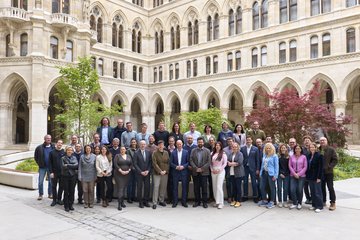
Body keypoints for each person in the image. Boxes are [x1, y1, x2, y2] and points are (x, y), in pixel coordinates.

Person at [190, 137, 211, 208]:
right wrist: (196, 168)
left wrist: (202, 169)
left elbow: (209, 161)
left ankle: (204, 202)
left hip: (204, 172)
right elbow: (191, 160)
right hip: (195, 172)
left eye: (201, 142)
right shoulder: (193, 150)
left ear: (203, 143)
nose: (200, 143)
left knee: (204, 188)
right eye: (199, 142)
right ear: (197, 142)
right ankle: (197, 201)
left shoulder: (207, 151)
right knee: (196, 188)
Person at [258, 143, 279, 209]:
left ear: (272, 148)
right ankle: (264, 200)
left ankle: (272, 201)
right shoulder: (264, 155)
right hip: (264, 173)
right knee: (262, 187)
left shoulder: (274, 156)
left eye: (269, 148)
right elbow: (262, 165)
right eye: (267, 148)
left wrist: (275, 175)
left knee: (272, 188)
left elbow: (276, 166)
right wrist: (261, 173)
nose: (268, 149)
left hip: (271, 174)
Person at [319, 136, 338, 211]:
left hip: (329, 172)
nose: (322, 142)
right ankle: (323, 201)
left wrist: (330, 166)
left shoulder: (331, 149)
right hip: (321, 173)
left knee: (330, 187)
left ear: (326, 141)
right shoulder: (318, 150)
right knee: (322, 187)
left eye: (323, 140)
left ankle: (332, 202)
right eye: (321, 141)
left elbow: (335, 160)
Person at [34, 134, 54, 200]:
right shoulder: (39, 147)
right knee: (40, 181)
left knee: (51, 181)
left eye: (50, 138)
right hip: (42, 167)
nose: (49, 139)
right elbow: (35, 157)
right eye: (47, 138)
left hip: (50, 168)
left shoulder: (53, 147)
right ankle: (40, 194)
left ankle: (50, 194)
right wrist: (39, 163)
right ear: (44, 139)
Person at [170, 140, 189, 208]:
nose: (179, 145)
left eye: (180, 144)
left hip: (184, 172)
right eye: (178, 144)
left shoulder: (186, 152)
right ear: (176, 145)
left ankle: (184, 202)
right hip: (175, 172)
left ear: (182, 144)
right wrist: (176, 167)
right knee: (175, 188)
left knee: (184, 187)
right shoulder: (173, 153)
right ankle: (175, 202)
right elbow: (171, 163)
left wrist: (183, 166)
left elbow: (188, 162)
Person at [240, 136, 260, 203]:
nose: (248, 141)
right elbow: (241, 158)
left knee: (254, 182)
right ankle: (245, 196)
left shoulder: (255, 149)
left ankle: (255, 196)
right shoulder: (242, 149)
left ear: (252, 141)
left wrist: (257, 169)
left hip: (253, 168)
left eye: (249, 140)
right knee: (245, 182)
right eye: (247, 140)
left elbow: (257, 160)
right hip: (245, 167)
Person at [133, 140, 152, 208]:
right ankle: (140, 202)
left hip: (147, 173)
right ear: (139, 145)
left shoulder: (148, 152)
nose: (143, 145)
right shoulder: (136, 153)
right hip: (139, 174)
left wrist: (148, 170)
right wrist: (140, 171)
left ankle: (146, 201)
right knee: (139, 188)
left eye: (144, 144)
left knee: (147, 187)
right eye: (141, 144)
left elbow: (150, 162)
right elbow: (135, 164)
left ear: (146, 145)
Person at [288, 144, 308, 210]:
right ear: (294, 150)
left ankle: (299, 203)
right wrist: (294, 174)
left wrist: (298, 174)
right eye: (296, 148)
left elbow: (305, 167)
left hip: (301, 176)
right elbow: (290, 166)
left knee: (299, 190)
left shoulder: (304, 157)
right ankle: (294, 203)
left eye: (299, 148)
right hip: (292, 175)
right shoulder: (291, 156)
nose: (297, 150)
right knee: (292, 189)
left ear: (301, 149)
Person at [152, 140, 170, 209]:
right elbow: (154, 163)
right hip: (157, 173)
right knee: (156, 187)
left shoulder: (166, 153)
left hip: (165, 173)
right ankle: (154, 202)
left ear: (163, 145)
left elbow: (168, 162)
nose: (160, 146)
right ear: (157, 145)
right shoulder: (154, 153)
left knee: (163, 187)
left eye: (162, 144)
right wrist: (160, 171)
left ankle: (161, 200)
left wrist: (165, 170)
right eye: (159, 145)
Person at [113, 146, 132, 211]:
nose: (122, 150)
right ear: (120, 150)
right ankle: (119, 204)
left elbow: (131, 164)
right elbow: (115, 164)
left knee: (124, 188)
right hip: (119, 174)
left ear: (125, 150)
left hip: (127, 174)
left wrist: (128, 170)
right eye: (121, 149)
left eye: (123, 149)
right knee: (120, 188)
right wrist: (121, 171)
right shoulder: (117, 156)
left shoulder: (128, 156)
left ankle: (122, 202)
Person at [306, 142, 324, 213]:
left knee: (317, 192)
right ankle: (314, 205)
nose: (311, 148)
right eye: (310, 147)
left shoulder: (319, 156)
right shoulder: (309, 155)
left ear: (316, 148)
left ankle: (319, 206)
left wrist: (319, 177)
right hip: (310, 176)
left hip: (317, 176)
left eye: (313, 147)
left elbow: (321, 168)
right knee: (312, 192)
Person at [61, 146, 78, 212]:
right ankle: (66, 205)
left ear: (72, 151)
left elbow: (76, 165)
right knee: (66, 191)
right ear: (66, 151)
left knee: (72, 191)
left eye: (71, 150)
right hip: (65, 176)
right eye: (68, 150)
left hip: (73, 176)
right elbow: (63, 167)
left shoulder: (74, 158)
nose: (69, 151)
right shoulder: (63, 158)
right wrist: (72, 165)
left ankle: (71, 204)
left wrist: (67, 165)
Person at [210, 142, 227, 209]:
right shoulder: (212, 153)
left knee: (219, 186)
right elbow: (210, 163)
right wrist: (212, 170)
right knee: (214, 186)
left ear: (221, 146)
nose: (217, 146)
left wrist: (220, 169)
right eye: (216, 145)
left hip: (221, 171)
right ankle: (216, 201)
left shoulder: (223, 154)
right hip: (213, 171)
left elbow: (225, 163)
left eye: (219, 145)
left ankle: (221, 203)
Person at [227, 143, 245, 208]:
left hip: (238, 173)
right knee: (233, 188)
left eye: (235, 147)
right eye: (233, 147)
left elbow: (239, 162)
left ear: (238, 148)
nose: (234, 148)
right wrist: (233, 163)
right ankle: (234, 200)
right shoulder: (230, 154)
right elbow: (227, 162)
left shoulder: (240, 154)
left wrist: (231, 163)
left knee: (238, 188)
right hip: (232, 173)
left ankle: (239, 201)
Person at [49, 139, 65, 206]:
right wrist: (51, 172)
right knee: (54, 186)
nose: (59, 144)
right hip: (54, 173)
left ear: (62, 144)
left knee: (61, 187)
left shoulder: (64, 152)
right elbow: (50, 163)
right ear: (56, 144)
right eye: (58, 143)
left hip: (62, 173)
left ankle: (59, 199)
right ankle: (54, 200)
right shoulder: (52, 152)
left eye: (61, 143)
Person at [277, 143, 290, 208]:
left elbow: (289, 167)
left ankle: (285, 201)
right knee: (279, 188)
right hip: (279, 174)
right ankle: (279, 201)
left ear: (286, 149)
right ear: (280, 149)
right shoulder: (277, 156)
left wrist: (285, 174)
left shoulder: (288, 157)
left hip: (287, 175)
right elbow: (277, 166)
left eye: (284, 148)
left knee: (285, 188)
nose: (283, 149)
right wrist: (280, 173)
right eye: (282, 148)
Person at [126, 138, 138, 203]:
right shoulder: (128, 150)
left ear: (136, 143)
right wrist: (132, 167)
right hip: (130, 169)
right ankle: (129, 198)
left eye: (134, 142)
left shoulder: (138, 150)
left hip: (137, 169)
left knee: (134, 183)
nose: (133, 143)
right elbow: (128, 159)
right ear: (131, 143)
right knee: (129, 184)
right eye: (132, 142)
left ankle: (133, 197)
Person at [302, 135, 313, 205]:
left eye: (308, 141)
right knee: (305, 186)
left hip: (311, 171)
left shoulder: (312, 149)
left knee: (311, 186)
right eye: (305, 141)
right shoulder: (302, 150)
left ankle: (312, 198)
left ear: (310, 141)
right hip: (304, 171)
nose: (306, 142)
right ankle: (308, 198)